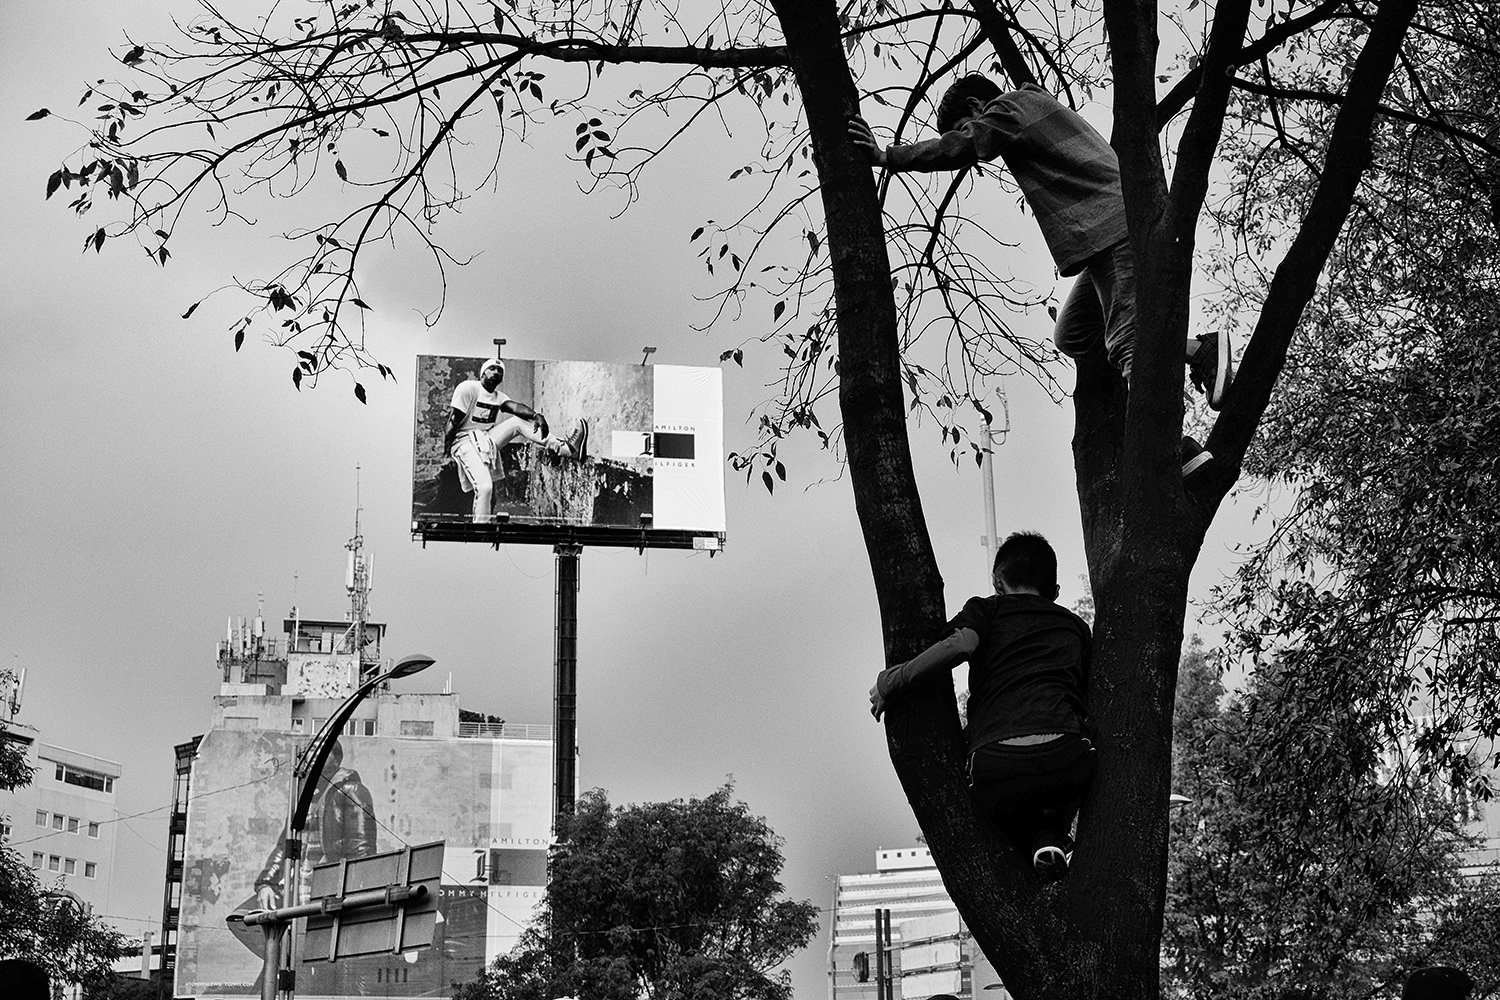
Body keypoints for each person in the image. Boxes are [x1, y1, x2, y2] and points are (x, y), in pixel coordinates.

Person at [848, 74, 1233, 475]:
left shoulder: (1010, 107)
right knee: (1073, 333)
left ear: (978, 107)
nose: (975, 138)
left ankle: (1172, 452)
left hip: (1115, 228)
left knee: (1127, 344)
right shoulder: (1031, 110)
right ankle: (1196, 349)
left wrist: (886, 157)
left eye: (967, 124)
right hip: (1104, 236)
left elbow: (960, 146)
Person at [869, 532, 1093, 882]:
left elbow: (961, 644)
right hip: (1066, 759)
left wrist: (892, 681)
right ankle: (1051, 838)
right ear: (1055, 592)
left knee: (1003, 806)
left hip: (997, 763)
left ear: (997, 583)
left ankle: (1037, 843)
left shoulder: (987, 608)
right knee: (1067, 775)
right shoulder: (1075, 627)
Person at [226, 739, 377, 980]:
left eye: (320, 753)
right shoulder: (304, 797)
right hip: (295, 891)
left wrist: (353, 897)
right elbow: (284, 845)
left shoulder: (352, 791)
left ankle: (296, 965)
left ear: (336, 760)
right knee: (241, 919)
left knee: (284, 971)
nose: (312, 758)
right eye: (310, 754)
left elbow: (363, 848)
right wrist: (266, 882)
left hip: (327, 890)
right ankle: (296, 960)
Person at [443, 358, 590, 522]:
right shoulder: (468, 388)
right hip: (463, 440)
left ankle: (566, 449)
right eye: (492, 368)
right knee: (484, 487)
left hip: (485, 438)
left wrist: (536, 416)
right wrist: (447, 451)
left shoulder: (498, 396)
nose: (496, 372)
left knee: (517, 422)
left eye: (500, 371)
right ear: (482, 372)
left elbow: (516, 407)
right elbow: (453, 421)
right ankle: (480, 529)